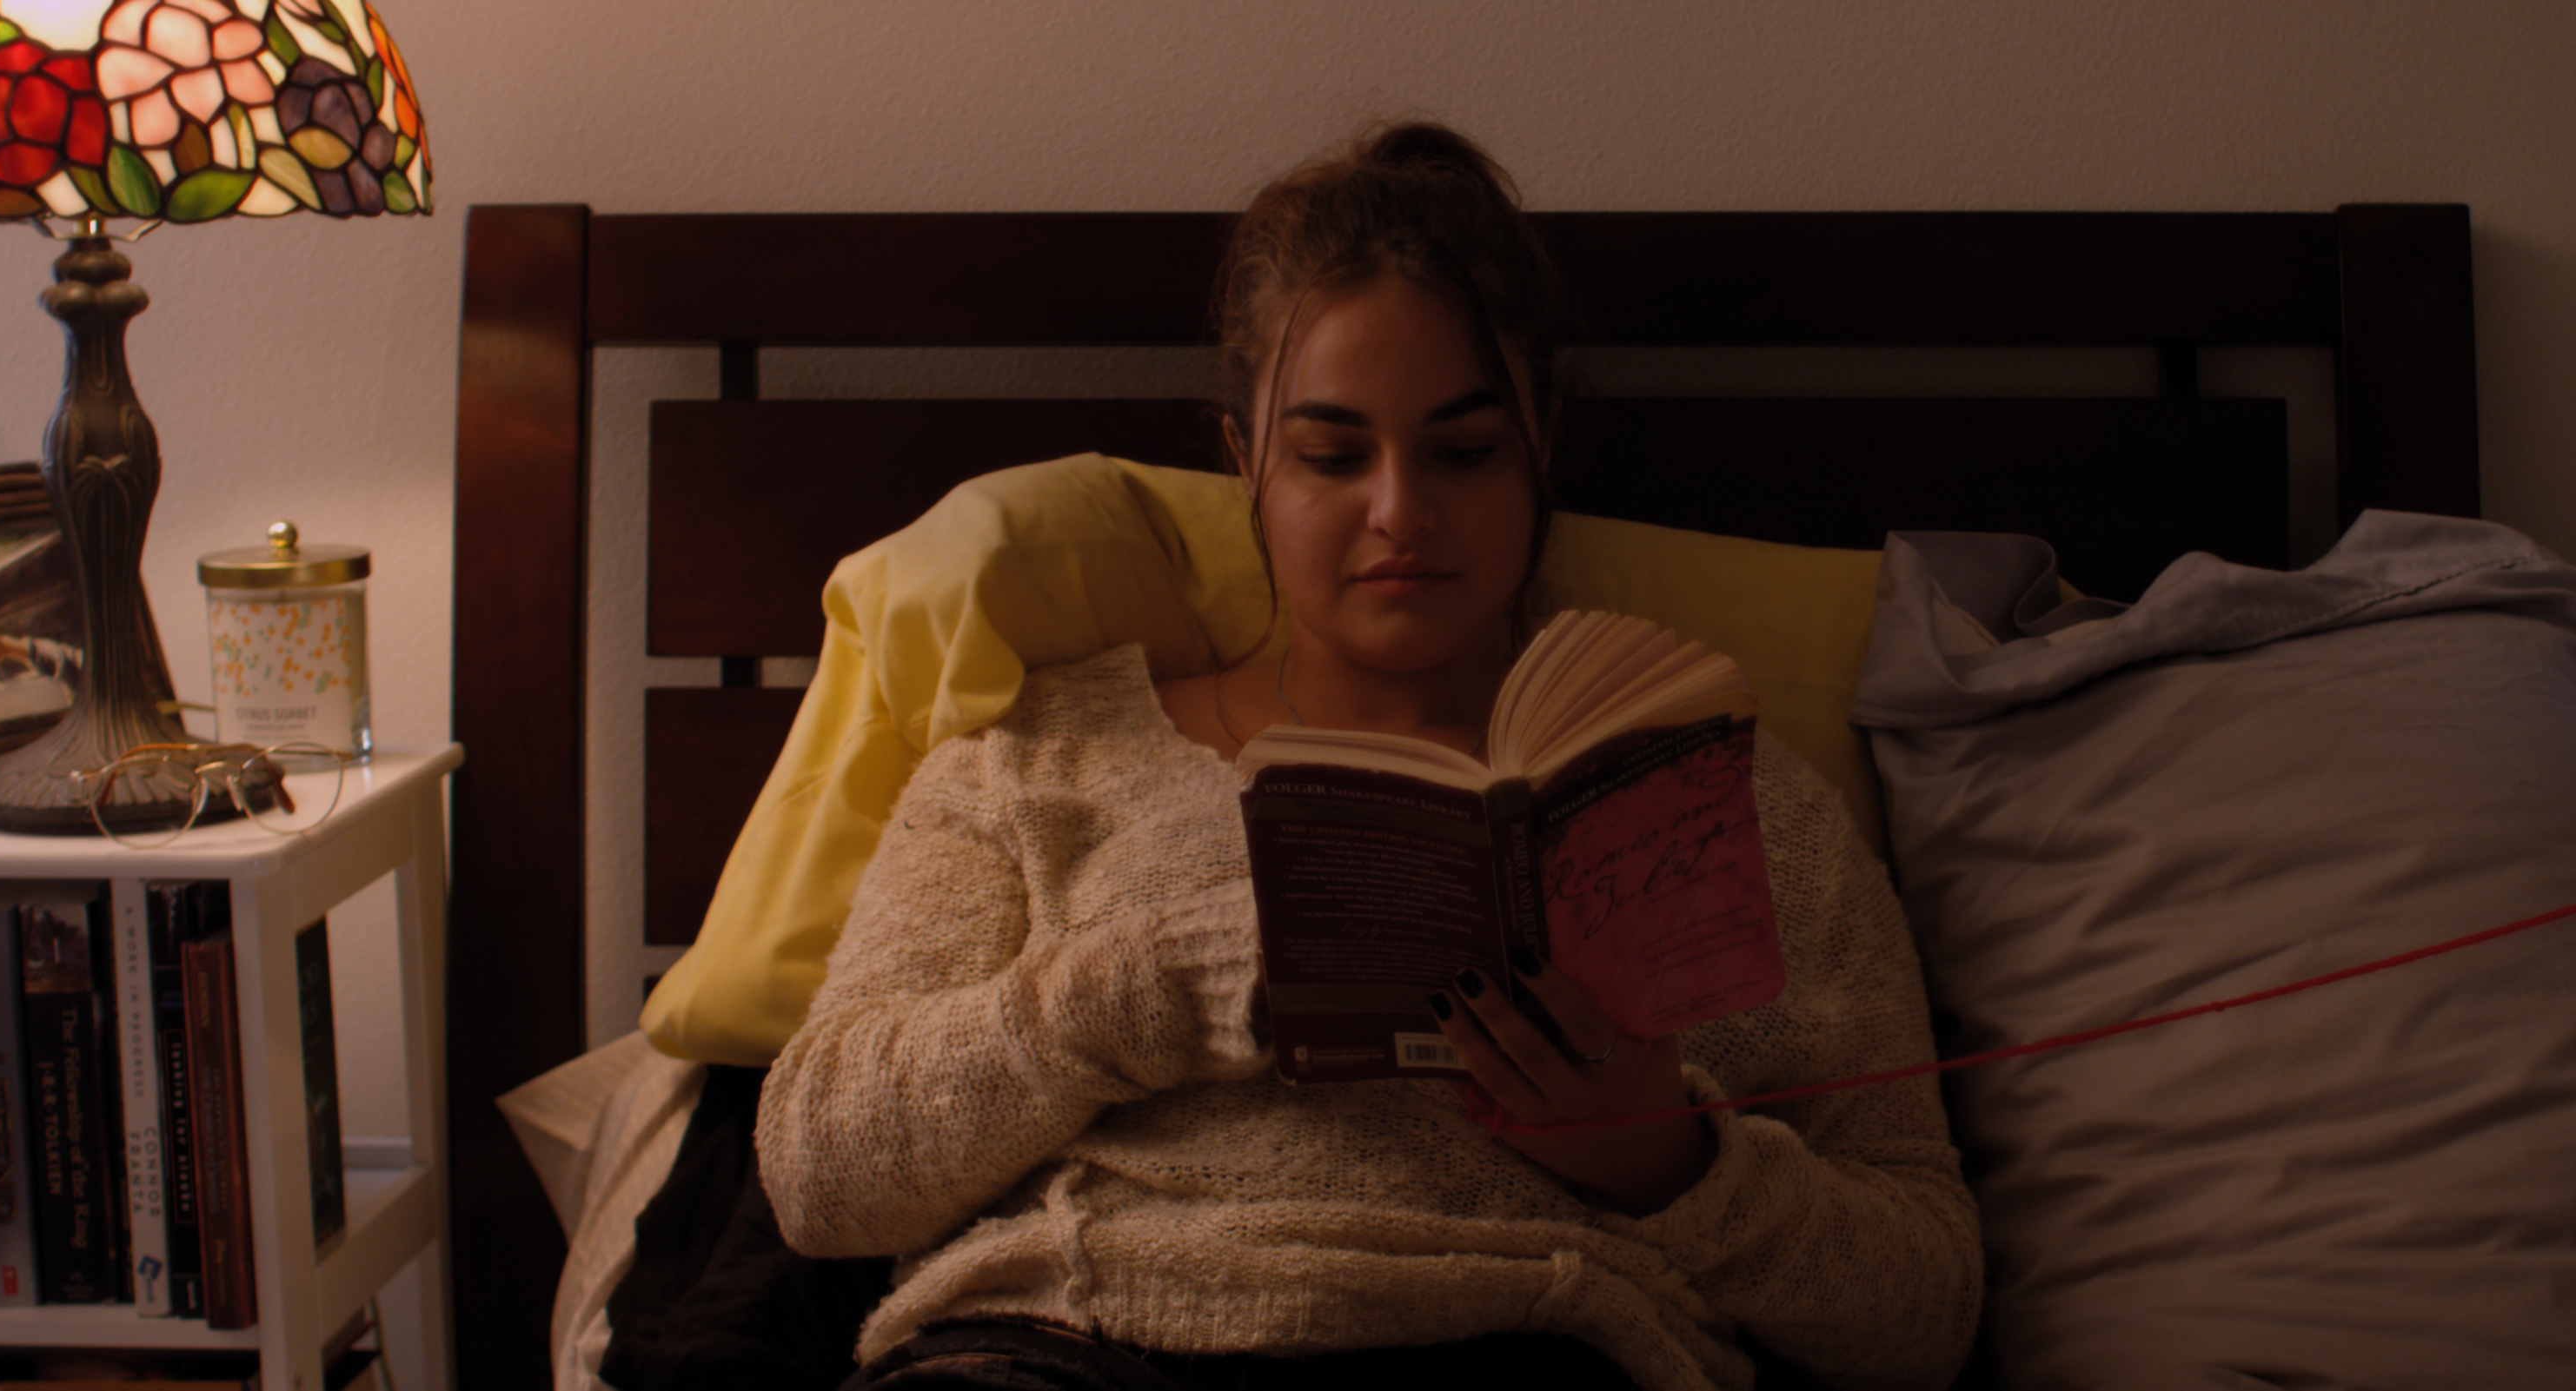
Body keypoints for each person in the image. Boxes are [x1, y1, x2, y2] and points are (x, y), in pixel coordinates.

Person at [759, 123, 1981, 1391]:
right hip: (1077, 1342)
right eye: (1333, 456)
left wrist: (1669, 1160)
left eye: (1464, 450)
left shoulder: (1720, 802)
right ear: (1246, 463)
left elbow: (1926, 1310)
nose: (1401, 512)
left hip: (1531, 1341)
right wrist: (1149, 988)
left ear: (1541, 444)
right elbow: (818, 1172)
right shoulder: (1043, 756)